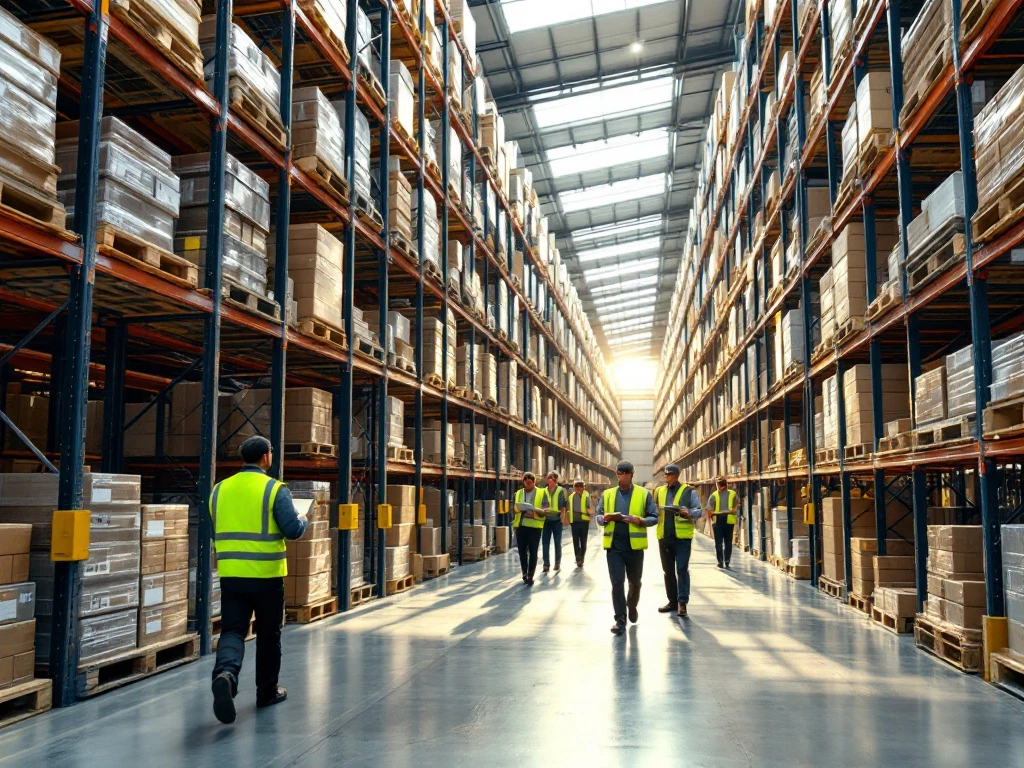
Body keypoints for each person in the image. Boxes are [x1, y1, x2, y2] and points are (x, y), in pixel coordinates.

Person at [210, 436, 309, 724]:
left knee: (232, 631)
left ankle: (226, 675)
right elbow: (292, 530)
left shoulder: (219, 489)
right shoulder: (274, 489)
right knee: (268, 635)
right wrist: (303, 518)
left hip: (231, 576)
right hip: (266, 576)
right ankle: (266, 692)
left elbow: (216, 525)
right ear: (267, 457)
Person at [595, 461, 658, 635]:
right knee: (616, 583)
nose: (622, 476)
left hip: (634, 548)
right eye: (619, 473)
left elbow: (654, 517)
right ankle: (620, 619)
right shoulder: (607, 494)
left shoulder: (644, 494)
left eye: (626, 473)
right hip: (614, 547)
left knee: (635, 583)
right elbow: (598, 516)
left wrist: (640, 521)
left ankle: (632, 605)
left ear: (632, 474)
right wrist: (605, 518)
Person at [655, 464, 702, 618]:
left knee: (681, 569)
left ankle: (682, 603)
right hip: (664, 537)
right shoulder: (659, 491)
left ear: (676, 475)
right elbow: (654, 510)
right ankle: (672, 601)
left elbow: (698, 510)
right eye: (666, 475)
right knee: (668, 572)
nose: (667, 477)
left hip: (682, 539)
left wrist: (688, 513)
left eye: (669, 475)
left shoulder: (689, 491)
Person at [513, 472, 547, 585]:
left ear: (534, 482)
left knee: (533, 552)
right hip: (521, 526)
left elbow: (546, 510)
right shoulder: (519, 493)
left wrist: (535, 512)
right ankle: (524, 572)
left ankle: (530, 574)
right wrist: (519, 509)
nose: (527, 485)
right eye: (525, 483)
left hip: (534, 527)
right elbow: (515, 507)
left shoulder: (542, 493)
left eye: (529, 483)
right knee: (522, 552)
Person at [707, 476, 739, 569]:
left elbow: (736, 504)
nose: (720, 487)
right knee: (719, 542)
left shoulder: (732, 494)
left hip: (727, 520)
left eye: (720, 485)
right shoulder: (714, 495)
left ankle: (726, 561)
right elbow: (709, 508)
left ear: (724, 485)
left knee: (727, 542)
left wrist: (732, 510)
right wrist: (710, 517)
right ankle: (721, 561)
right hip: (718, 520)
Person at [541, 471, 567, 572]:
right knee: (545, 543)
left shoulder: (560, 490)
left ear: (555, 480)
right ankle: (546, 564)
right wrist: (543, 510)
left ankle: (557, 563)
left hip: (556, 520)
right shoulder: (545, 491)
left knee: (557, 543)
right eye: (547, 477)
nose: (548, 479)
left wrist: (562, 516)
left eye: (550, 478)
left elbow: (562, 505)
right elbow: (544, 504)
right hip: (547, 520)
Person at [567, 478, 592, 567]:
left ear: (583, 488)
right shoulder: (571, 497)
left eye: (580, 486)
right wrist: (568, 519)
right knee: (575, 541)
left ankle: (582, 558)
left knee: (583, 541)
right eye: (576, 486)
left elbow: (590, 508)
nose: (578, 488)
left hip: (584, 521)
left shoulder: (587, 495)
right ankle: (578, 560)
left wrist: (590, 512)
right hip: (574, 522)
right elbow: (568, 509)